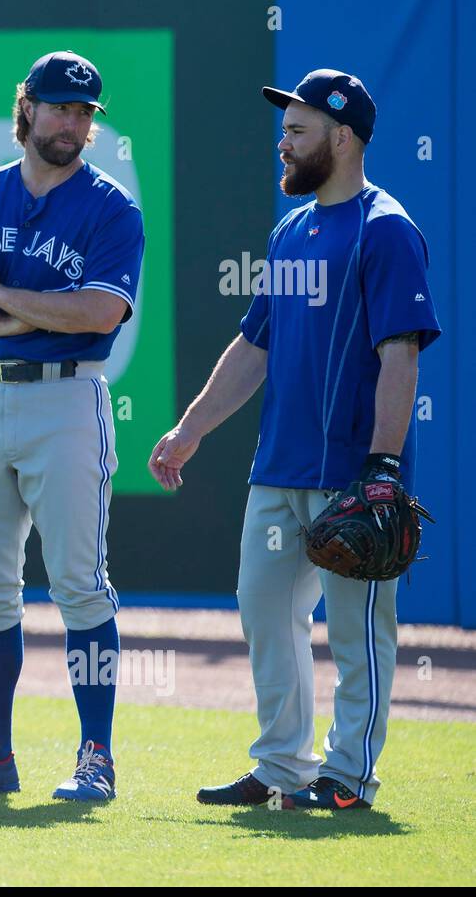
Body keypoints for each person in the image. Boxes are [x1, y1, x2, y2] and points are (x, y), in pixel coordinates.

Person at [150, 69, 441, 810]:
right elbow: (255, 347)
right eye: (284, 128)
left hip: (351, 474)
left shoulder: (387, 229)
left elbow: (400, 356)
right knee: (264, 609)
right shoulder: (290, 231)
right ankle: (284, 763)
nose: (282, 142)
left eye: (298, 129)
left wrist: (381, 466)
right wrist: (191, 429)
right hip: (277, 466)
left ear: (342, 138)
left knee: (356, 631)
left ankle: (349, 776)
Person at [0, 51, 145, 802]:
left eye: (85, 112)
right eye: (60, 107)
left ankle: (96, 755)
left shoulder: (110, 206)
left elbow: (99, 312)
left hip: (67, 401)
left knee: (78, 583)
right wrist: (20, 315)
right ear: (27, 110)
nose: (73, 122)